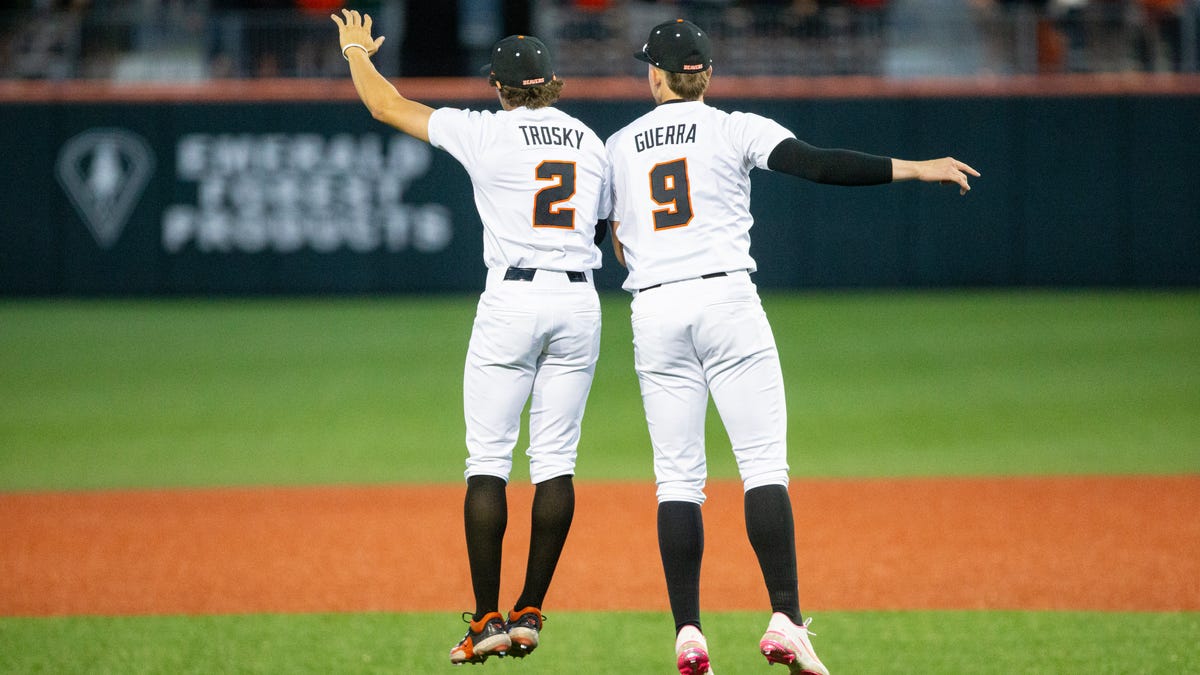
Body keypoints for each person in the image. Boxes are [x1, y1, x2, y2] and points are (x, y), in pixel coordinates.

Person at [604, 18, 979, 675]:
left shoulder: (617, 145)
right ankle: (785, 616)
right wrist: (917, 167)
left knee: (678, 478)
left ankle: (689, 633)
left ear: (657, 75)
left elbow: (616, 238)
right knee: (762, 466)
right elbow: (818, 164)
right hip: (726, 301)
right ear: (708, 76)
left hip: (655, 308)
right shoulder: (734, 126)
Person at [331, 9, 611, 665]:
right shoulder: (589, 142)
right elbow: (604, 227)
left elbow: (385, 104)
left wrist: (354, 50)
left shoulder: (486, 131)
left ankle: (487, 618)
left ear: (499, 86)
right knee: (556, 462)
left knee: (488, 460)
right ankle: (531, 608)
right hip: (578, 298)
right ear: (552, 83)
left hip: (512, 297)